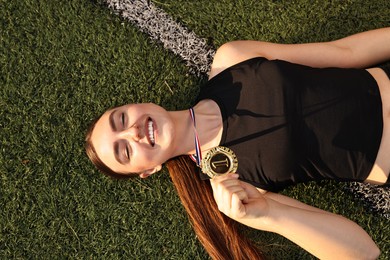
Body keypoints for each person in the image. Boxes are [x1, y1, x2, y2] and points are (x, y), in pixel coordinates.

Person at [85, 27, 390, 259]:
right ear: (148, 170)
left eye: (121, 119)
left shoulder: (232, 60)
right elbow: (363, 252)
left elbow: (344, 52)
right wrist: (267, 213)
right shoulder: (234, 186)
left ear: (139, 104)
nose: (133, 132)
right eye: (124, 150)